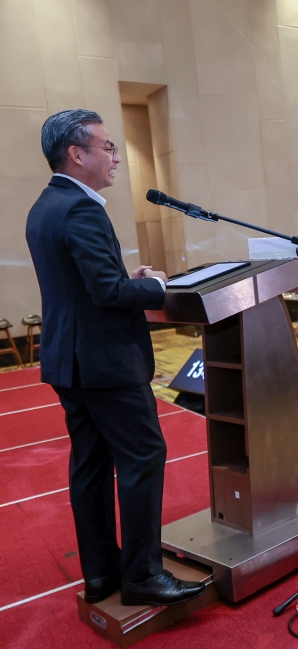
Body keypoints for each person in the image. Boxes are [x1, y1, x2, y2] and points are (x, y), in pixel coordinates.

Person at [25, 109, 205, 606]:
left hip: (71, 360)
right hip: (105, 363)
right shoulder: (82, 208)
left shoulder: (46, 205)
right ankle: (144, 576)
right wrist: (154, 287)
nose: (116, 157)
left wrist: (134, 280)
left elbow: (85, 286)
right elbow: (106, 292)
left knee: (90, 464)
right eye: (107, 147)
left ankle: (102, 574)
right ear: (76, 154)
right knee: (143, 456)